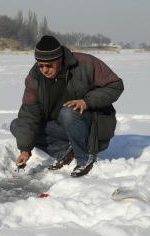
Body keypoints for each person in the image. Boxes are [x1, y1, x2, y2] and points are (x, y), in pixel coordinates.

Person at [10, 35, 124, 177]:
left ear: (59, 59)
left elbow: (115, 85)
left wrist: (86, 102)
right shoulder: (34, 78)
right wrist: (25, 149)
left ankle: (85, 158)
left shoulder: (85, 64)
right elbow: (29, 114)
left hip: (92, 126)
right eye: (40, 65)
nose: (44, 70)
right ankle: (64, 151)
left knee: (68, 112)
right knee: (17, 125)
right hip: (62, 128)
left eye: (49, 65)